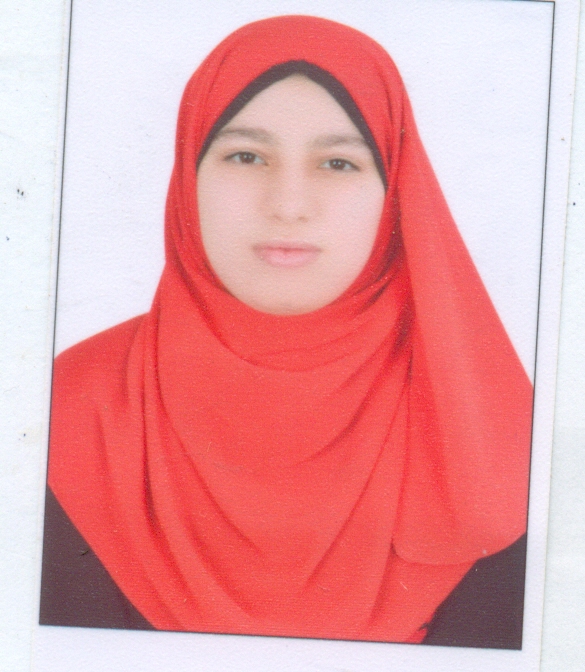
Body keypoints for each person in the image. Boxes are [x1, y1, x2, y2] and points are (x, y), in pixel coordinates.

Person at [40, 15, 532, 647]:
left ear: (396, 190)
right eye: (246, 156)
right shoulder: (68, 403)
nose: (289, 204)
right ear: (188, 175)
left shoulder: (487, 423)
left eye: (337, 162)